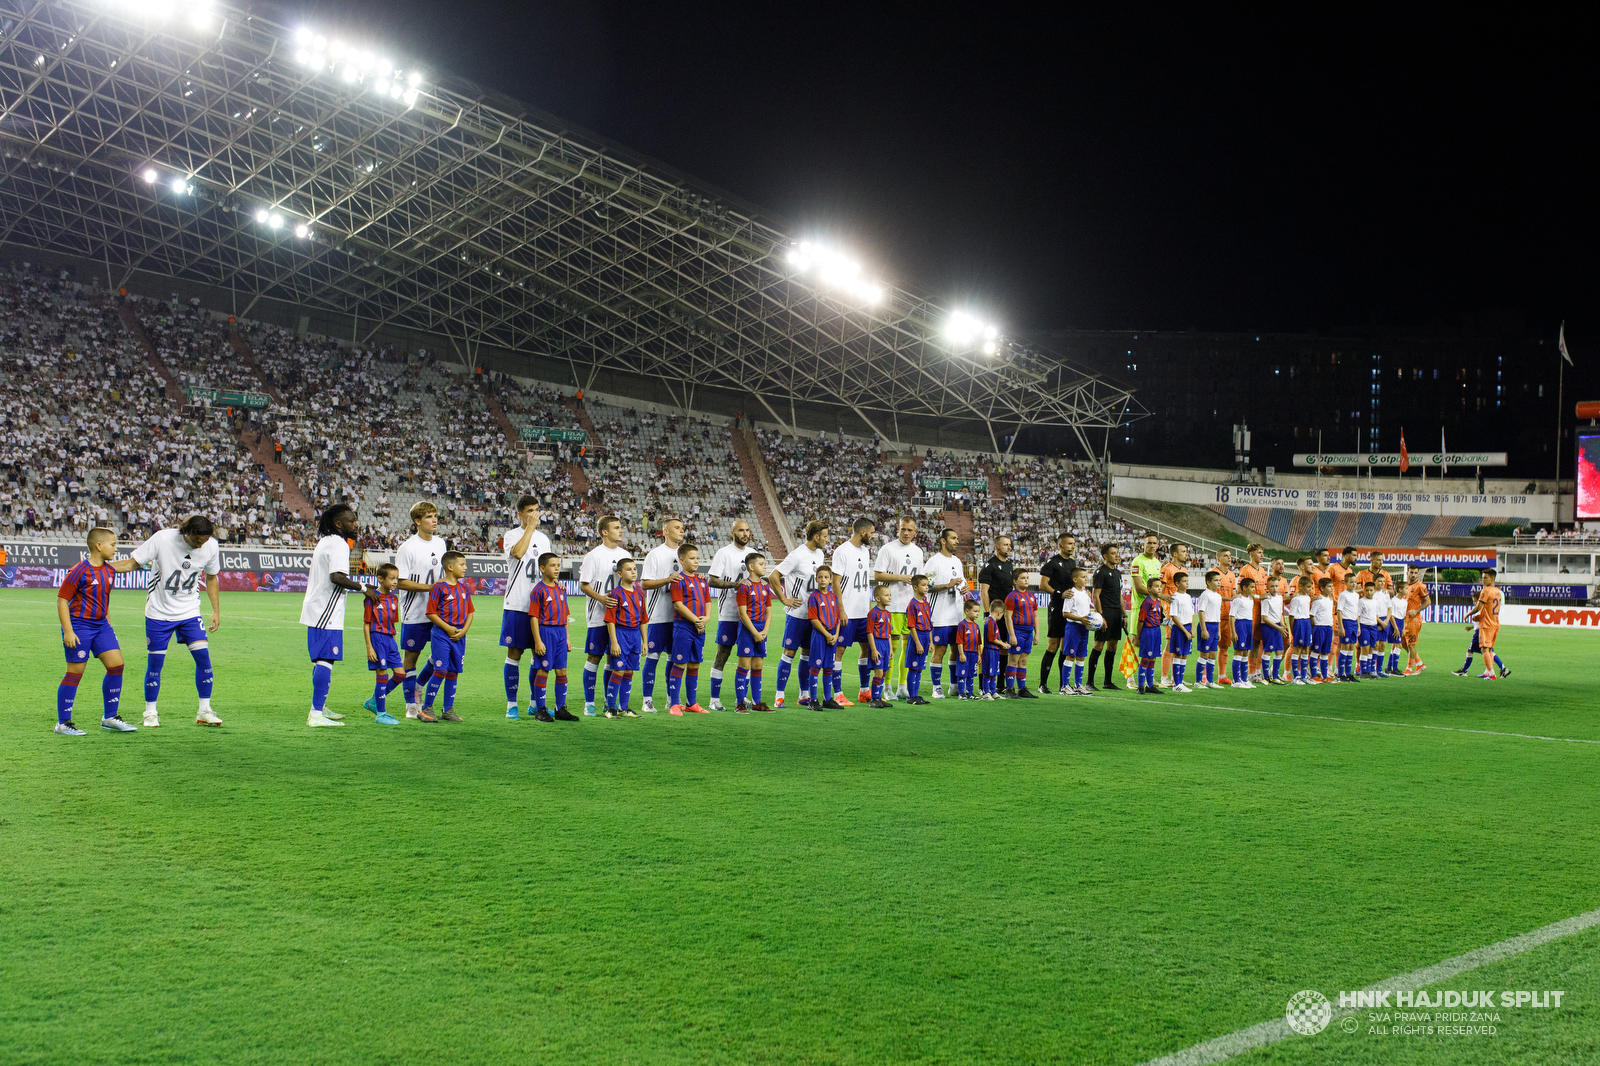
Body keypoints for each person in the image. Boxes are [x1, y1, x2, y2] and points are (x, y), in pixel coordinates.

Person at [107, 514, 222, 728]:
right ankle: (150, 712)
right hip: (159, 613)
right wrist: (97, 568)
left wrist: (215, 610)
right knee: (155, 665)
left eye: (204, 541)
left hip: (189, 611)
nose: (201, 545)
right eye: (197, 540)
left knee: (204, 660)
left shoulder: (211, 546)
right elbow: (133, 563)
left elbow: (211, 577)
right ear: (186, 533)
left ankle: (204, 710)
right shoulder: (163, 539)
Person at [299, 504, 380, 727]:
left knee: (321, 660)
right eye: (351, 521)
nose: (356, 525)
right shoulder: (338, 544)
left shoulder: (327, 541)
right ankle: (315, 715)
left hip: (319, 608)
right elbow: (336, 577)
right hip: (326, 611)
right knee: (326, 660)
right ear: (338, 524)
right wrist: (365, 589)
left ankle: (320, 707)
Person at [55, 527, 130, 734]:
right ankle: (63, 723)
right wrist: (68, 631)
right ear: (99, 546)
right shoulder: (79, 570)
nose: (116, 549)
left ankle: (110, 717)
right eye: (113, 545)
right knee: (75, 672)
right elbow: (62, 601)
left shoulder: (108, 570)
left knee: (116, 666)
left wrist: (109, 626)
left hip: (102, 626)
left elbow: (103, 599)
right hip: (79, 626)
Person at [499, 495, 551, 719]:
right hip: (517, 604)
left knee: (538, 655)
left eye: (536, 510)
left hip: (539, 607)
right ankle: (511, 704)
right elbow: (518, 553)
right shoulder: (511, 535)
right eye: (530, 511)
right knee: (514, 653)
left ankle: (533, 703)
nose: (535, 514)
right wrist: (529, 528)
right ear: (519, 514)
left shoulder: (544, 538)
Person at [395, 501, 445, 719]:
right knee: (411, 658)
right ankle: (411, 706)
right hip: (414, 612)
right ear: (417, 521)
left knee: (441, 655)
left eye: (435, 516)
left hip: (439, 612)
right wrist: (430, 588)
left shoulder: (442, 544)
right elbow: (400, 582)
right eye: (428, 517)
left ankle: (418, 686)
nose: (434, 520)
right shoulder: (407, 548)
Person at [578, 514, 632, 716]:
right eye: (616, 527)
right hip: (598, 617)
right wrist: (601, 599)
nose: (621, 530)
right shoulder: (594, 555)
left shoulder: (625, 554)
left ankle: (609, 702)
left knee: (613, 659)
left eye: (620, 527)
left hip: (620, 620)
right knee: (594, 657)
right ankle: (589, 703)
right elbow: (584, 584)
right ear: (604, 532)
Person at [772, 521, 829, 708]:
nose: (827, 540)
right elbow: (773, 576)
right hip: (796, 614)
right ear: (816, 537)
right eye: (825, 536)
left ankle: (803, 695)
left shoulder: (820, 554)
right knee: (789, 653)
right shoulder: (797, 555)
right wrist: (784, 599)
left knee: (806, 655)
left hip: (813, 616)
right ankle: (779, 695)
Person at [873, 516, 925, 699]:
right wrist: (900, 577)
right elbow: (878, 574)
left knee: (908, 647)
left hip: (911, 607)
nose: (906, 533)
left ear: (915, 532)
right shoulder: (888, 549)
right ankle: (886, 686)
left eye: (910, 530)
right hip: (893, 605)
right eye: (903, 529)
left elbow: (920, 579)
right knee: (890, 649)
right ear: (898, 529)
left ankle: (902, 686)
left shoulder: (918, 552)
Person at [707, 519, 756, 711]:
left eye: (747, 530)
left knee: (748, 658)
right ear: (732, 533)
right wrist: (735, 585)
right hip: (728, 613)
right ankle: (714, 699)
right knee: (722, 655)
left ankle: (742, 699)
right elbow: (712, 580)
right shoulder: (724, 553)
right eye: (741, 530)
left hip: (749, 615)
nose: (745, 533)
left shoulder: (752, 554)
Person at [638, 515, 686, 713]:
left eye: (682, 527)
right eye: (677, 527)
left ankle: (670, 699)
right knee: (653, 657)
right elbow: (645, 583)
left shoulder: (685, 554)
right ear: (665, 531)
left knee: (673, 659)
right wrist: (668, 580)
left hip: (679, 617)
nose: (681, 530)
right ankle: (647, 700)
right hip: (658, 615)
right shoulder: (655, 554)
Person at [420, 550, 473, 722]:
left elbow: (470, 612)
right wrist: (448, 628)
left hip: (459, 636)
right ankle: (426, 708)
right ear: (450, 567)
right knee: (441, 670)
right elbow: (430, 612)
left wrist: (463, 630)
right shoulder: (439, 587)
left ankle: (448, 710)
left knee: (453, 672)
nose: (465, 567)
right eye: (462, 564)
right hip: (442, 634)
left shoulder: (464, 588)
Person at [831, 517, 878, 706]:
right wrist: (841, 609)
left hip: (862, 611)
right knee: (839, 650)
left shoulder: (865, 551)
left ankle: (864, 691)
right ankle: (838, 693)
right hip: (847, 612)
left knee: (866, 648)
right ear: (863, 532)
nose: (873, 536)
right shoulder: (842, 551)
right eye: (872, 532)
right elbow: (836, 582)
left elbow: (865, 582)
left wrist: (868, 608)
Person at [530, 551, 579, 721]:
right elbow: (534, 617)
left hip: (560, 633)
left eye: (558, 565)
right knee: (544, 670)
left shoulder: (560, 589)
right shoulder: (538, 590)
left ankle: (560, 709)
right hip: (546, 632)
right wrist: (537, 640)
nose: (557, 568)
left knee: (561, 671)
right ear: (542, 568)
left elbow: (565, 615)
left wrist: (567, 637)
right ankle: (540, 709)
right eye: (552, 565)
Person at [922, 527, 966, 700]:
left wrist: (964, 588)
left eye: (957, 538)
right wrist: (947, 585)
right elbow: (927, 586)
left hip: (956, 615)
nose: (957, 541)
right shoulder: (934, 562)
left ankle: (954, 686)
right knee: (940, 650)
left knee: (956, 649)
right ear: (943, 541)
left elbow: (960, 583)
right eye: (953, 538)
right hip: (939, 615)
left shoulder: (957, 561)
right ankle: (936, 687)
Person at [667, 543, 711, 714]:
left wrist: (706, 619)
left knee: (695, 665)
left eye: (697, 558)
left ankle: (691, 704)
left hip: (699, 627)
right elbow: (678, 605)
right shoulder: (678, 580)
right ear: (682, 560)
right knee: (679, 663)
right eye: (692, 558)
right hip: (684, 627)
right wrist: (696, 621)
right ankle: (674, 705)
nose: (696, 562)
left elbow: (708, 602)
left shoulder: (701, 580)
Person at [362, 562, 404, 724]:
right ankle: (381, 714)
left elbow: (393, 623)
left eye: (397, 578)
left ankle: (373, 701)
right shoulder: (371, 598)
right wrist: (369, 647)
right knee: (382, 674)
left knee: (400, 674)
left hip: (390, 639)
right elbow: (366, 623)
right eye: (392, 578)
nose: (395, 582)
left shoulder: (394, 599)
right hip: (377, 639)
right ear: (380, 579)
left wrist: (393, 644)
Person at [604, 557, 646, 717]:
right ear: (620, 574)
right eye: (629, 569)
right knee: (619, 670)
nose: (633, 572)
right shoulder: (616, 594)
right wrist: (614, 642)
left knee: (629, 671)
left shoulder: (640, 595)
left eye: (635, 569)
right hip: (621, 634)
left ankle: (624, 707)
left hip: (635, 635)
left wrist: (644, 641)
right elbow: (610, 619)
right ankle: (611, 707)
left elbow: (643, 620)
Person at [1037, 533, 1078, 693]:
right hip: (1056, 608)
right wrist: (1059, 593)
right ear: (1060, 545)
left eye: (1074, 543)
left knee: (1065, 647)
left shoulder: (1072, 563)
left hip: (1069, 610)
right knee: (1053, 646)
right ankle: (1042, 685)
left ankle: (1063, 685)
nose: (1072, 546)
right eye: (1069, 544)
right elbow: (1042, 584)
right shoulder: (1052, 563)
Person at [735, 552, 774, 712]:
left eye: (765, 564)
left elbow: (769, 611)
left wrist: (764, 630)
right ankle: (740, 703)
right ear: (751, 567)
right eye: (761, 564)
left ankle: (757, 703)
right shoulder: (744, 586)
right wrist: (755, 633)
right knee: (744, 666)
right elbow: (742, 613)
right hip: (747, 629)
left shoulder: (765, 586)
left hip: (761, 629)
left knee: (758, 666)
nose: (764, 567)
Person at [805, 563, 844, 709]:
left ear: (830, 579)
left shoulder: (833, 597)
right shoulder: (814, 597)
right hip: (820, 635)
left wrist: (836, 634)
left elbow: (837, 617)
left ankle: (827, 699)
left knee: (829, 666)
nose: (823, 579)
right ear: (816, 579)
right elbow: (813, 618)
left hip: (832, 636)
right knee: (815, 666)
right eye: (820, 577)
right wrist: (827, 634)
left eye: (826, 577)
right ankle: (813, 700)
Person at [1457, 570, 1509, 679]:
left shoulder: (1485, 591)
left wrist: (1468, 614)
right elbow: (1489, 609)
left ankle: (1491, 673)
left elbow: (1478, 607)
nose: (1483, 580)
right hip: (1495, 623)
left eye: (1485, 577)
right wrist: (1479, 617)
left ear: (1492, 579)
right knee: (1489, 649)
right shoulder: (1498, 592)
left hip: (1486, 625)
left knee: (1484, 649)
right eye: (1482, 577)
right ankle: (1489, 672)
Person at [1088, 544, 1124, 690]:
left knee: (1113, 646)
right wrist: (1100, 616)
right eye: (1113, 553)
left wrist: (1124, 614)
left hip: (1116, 613)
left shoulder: (1118, 573)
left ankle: (1107, 681)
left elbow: (1119, 595)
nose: (1117, 556)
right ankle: (1089, 682)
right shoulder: (1100, 572)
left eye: (1117, 553)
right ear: (1105, 556)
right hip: (1106, 611)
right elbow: (1095, 595)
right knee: (1099, 645)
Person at [1156, 542, 1190, 688]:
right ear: (1175, 554)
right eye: (1183, 551)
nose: (1186, 554)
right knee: (1170, 642)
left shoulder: (1183, 569)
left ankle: (1176, 678)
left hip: (1183, 611)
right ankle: (1164, 677)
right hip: (1171, 612)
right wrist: (1165, 604)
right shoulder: (1167, 569)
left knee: (1178, 644)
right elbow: (1159, 591)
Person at [1003, 570, 1039, 698]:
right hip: (1018, 631)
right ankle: (1009, 689)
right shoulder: (1012, 596)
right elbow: (1008, 616)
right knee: (1013, 660)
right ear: (1015, 581)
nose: (1026, 580)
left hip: (1029, 632)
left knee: (1023, 661)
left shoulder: (1031, 596)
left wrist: (1037, 633)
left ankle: (1022, 689)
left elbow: (1035, 615)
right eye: (1023, 578)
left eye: (1027, 577)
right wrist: (1012, 635)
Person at [1059, 566, 1094, 695]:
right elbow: (1065, 613)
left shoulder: (1085, 594)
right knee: (1070, 656)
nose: (1086, 579)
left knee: (1081, 657)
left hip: (1084, 628)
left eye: (1086, 576)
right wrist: (1081, 618)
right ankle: (1065, 686)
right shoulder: (1071, 593)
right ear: (1075, 579)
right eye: (1083, 577)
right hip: (1073, 628)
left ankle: (1078, 685)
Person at [1238, 544, 1269, 682]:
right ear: (1251, 554)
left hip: (1261, 609)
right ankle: (1248, 672)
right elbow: (1240, 592)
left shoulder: (1262, 570)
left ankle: (1256, 672)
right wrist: (1257, 597)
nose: (1262, 555)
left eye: (1262, 553)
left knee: (1257, 642)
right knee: (1249, 643)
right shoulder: (1245, 570)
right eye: (1259, 552)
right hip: (1249, 610)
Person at [903, 573, 933, 704]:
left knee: (920, 668)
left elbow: (929, 622)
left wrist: (931, 641)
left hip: (926, 636)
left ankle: (916, 694)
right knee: (914, 667)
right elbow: (911, 625)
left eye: (927, 585)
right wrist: (918, 643)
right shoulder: (912, 604)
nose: (926, 588)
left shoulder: (926, 603)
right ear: (915, 587)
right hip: (918, 637)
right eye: (923, 585)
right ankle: (911, 696)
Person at [866, 583, 896, 707]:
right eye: (886, 595)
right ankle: (874, 699)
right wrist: (873, 649)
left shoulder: (888, 614)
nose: (889, 598)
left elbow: (888, 633)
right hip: (877, 644)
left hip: (885, 645)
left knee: (883, 672)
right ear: (878, 598)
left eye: (890, 595)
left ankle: (879, 698)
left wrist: (890, 649)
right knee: (878, 673)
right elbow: (869, 632)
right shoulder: (873, 613)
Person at [1135, 581, 1167, 695]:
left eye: (1160, 587)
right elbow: (1141, 620)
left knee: (1153, 658)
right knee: (1146, 658)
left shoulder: (1158, 602)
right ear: (1149, 589)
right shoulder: (1147, 602)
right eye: (1156, 586)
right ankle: (1140, 686)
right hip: (1148, 631)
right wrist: (1138, 636)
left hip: (1157, 631)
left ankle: (1150, 685)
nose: (1159, 589)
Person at [1258, 572, 1290, 684]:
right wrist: (1278, 627)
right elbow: (1265, 618)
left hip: (1277, 626)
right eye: (1272, 586)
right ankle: (1265, 677)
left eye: (1276, 586)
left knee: (1280, 650)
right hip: (1268, 626)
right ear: (1267, 587)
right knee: (1268, 651)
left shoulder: (1280, 597)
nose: (1274, 588)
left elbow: (1280, 613)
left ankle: (1275, 676)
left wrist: (1282, 625)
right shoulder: (1266, 599)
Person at [1166, 570, 1194, 693]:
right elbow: (1174, 616)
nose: (1187, 583)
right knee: (1178, 654)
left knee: (1184, 655)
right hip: (1179, 629)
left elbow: (1192, 613)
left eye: (1187, 581)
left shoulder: (1188, 597)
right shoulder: (1175, 597)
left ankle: (1180, 682)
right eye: (1184, 581)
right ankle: (1176, 683)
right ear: (1177, 583)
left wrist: (1192, 629)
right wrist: (1185, 631)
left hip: (1188, 628)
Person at [1402, 565, 1433, 674]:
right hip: (1404, 619)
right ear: (1407, 573)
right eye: (1411, 572)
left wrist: (1416, 610)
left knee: (1411, 644)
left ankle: (1409, 668)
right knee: (1403, 643)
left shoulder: (1420, 586)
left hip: (1414, 620)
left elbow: (1428, 601)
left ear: (1418, 574)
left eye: (1415, 573)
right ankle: (1419, 664)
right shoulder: (1404, 586)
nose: (1413, 575)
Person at [1213, 548, 1238, 686]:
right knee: (1210, 647)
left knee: (1224, 647)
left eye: (1230, 556)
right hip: (1215, 616)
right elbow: (1212, 595)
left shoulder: (1232, 575)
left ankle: (1222, 676)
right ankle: (1205, 676)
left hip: (1228, 616)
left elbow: (1234, 594)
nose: (1229, 558)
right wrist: (1230, 598)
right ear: (1218, 558)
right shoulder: (1213, 573)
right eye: (1225, 556)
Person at [1194, 570, 1223, 688]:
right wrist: (1204, 629)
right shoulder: (1205, 595)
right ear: (1208, 582)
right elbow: (1201, 612)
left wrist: (1219, 630)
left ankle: (1210, 681)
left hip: (1215, 626)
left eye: (1219, 580)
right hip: (1207, 626)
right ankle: (1198, 681)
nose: (1218, 583)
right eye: (1216, 580)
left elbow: (1218, 614)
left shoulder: (1218, 596)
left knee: (1212, 655)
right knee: (1204, 655)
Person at [953, 598, 983, 700]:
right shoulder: (962, 625)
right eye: (975, 611)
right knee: (962, 673)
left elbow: (979, 642)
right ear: (967, 611)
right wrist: (961, 654)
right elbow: (959, 641)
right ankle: (961, 693)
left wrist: (979, 655)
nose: (977, 614)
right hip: (965, 653)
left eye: (978, 612)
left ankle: (970, 693)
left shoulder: (977, 626)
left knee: (971, 674)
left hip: (974, 654)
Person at [1229, 577, 1257, 688]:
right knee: (1239, 652)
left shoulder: (1250, 599)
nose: (1254, 589)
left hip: (1249, 625)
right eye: (1252, 587)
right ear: (1244, 587)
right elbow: (1231, 616)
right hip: (1240, 625)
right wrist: (1233, 632)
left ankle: (1244, 679)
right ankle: (1236, 680)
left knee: (1245, 652)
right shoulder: (1238, 600)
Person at [1336, 571, 1362, 681]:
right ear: (1346, 583)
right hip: (1346, 622)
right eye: (1351, 582)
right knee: (1345, 647)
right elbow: (1339, 611)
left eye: (1355, 582)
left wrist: (1359, 626)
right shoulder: (1343, 595)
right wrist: (1341, 627)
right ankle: (1340, 673)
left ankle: (1348, 674)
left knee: (1351, 647)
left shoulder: (1356, 595)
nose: (1354, 584)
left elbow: (1356, 612)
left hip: (1354, 623)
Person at [1288, 576, 1314, 685]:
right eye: (1308, 587)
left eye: (1311, 587)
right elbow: (1291, 615)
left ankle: (1304, 676)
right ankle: (1295, 677)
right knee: (1297, 649)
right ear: (1301, 586)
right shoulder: (1296, 599)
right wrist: (1293, 630)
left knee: (1306, 649)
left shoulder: (1307, 598)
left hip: (1306, 622)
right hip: (1298, 623)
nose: (1310, 589)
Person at [1310, 577, 1336, 683]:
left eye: (1332, 586)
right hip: (1319, 628)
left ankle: (1325, 676)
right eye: (1329, 586)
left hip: (1328, 628)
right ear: (1322, 588)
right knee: (1316, 652)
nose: (1331, 589)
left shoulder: (1330, 600)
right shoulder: (1318, 600)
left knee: (1325, 653)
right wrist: (1314, 629)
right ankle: (1313, 676)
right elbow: (1311, 615)